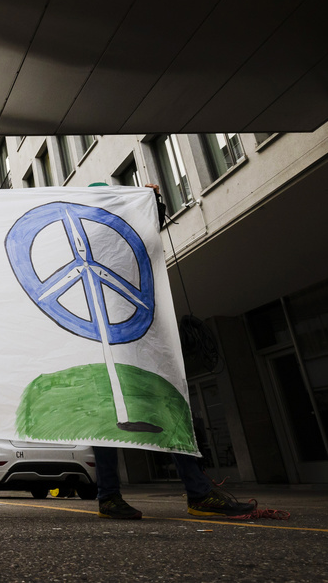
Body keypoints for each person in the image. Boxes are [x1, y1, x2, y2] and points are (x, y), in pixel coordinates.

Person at [95, 183, 255, 521]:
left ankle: (195, 492)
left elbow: (147, 232)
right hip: (106, 343)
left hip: (142, 340)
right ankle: (112, 496)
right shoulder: (91, 237)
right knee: (110, 420)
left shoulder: (125, 233)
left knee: (171, 407)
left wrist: (150, 201)